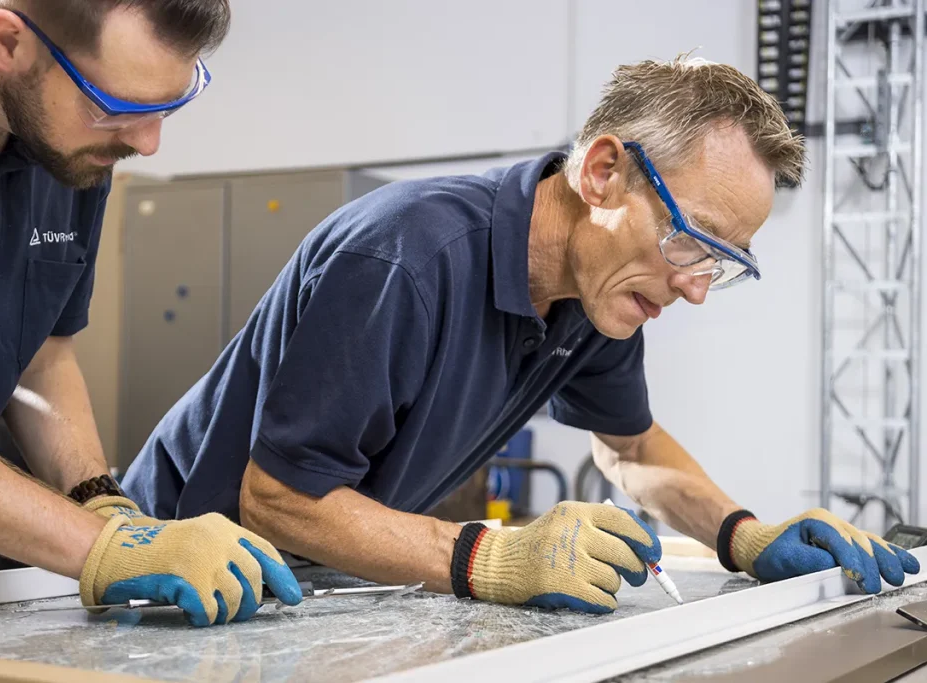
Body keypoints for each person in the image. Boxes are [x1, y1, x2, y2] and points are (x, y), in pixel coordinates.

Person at [122, 56, 920, 614]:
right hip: (165, 571)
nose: (696, 287)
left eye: (722, 263)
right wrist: (492, 555)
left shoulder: (597, 295)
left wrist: (743, 533)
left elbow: (631, 447)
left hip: (308, 582)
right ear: (602, 173)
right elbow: (280, 498)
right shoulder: (407, 258)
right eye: (691, 241)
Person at [0, 0, 300, 626]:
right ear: (7, 42)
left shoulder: (66, 144)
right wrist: (102, 548)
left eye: (170, 104)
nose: (147, 142)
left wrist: (103, 505)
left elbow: (38, 357)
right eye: (116, 107)